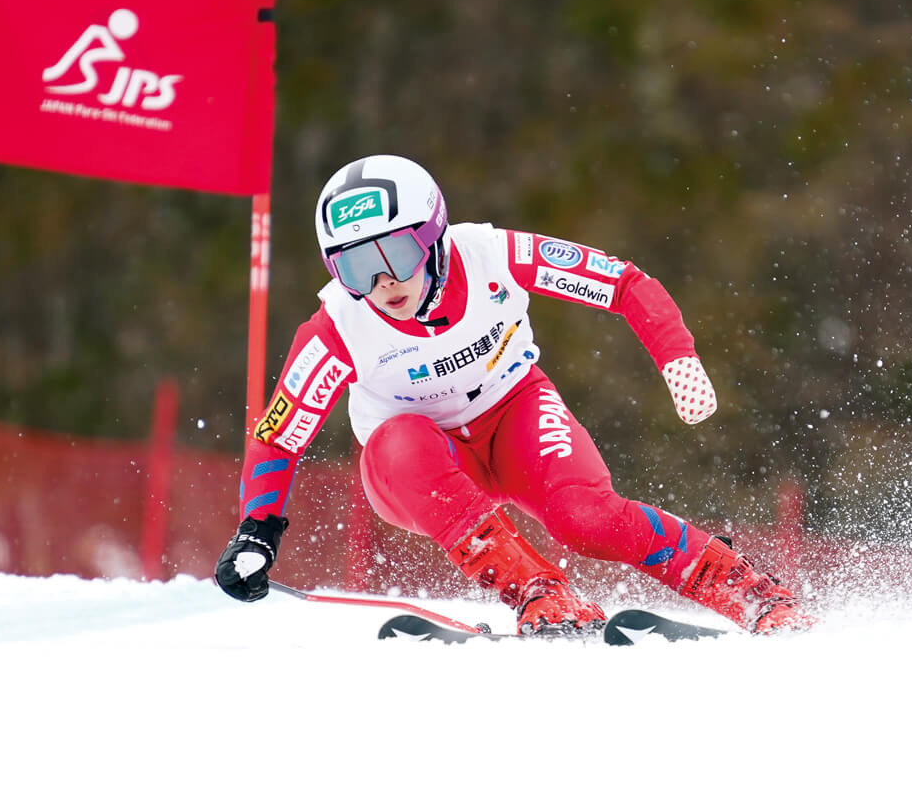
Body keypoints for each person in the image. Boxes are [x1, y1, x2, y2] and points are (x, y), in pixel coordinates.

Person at [215, 154, 815, 636]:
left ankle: (748, 592)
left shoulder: (493, 255)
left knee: (586, 519)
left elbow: (623, 282)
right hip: (419, 463)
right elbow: (280, 435)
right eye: (355, 268)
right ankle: (540, 593)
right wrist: (256, 534)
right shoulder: (337, 326)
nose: (383, 283)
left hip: (514, 415)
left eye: (394, 254)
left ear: (431, 235)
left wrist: (677, 358)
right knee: (400, 438)